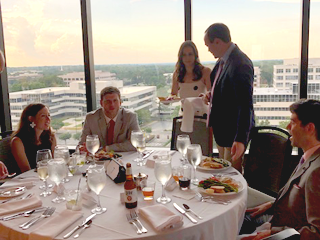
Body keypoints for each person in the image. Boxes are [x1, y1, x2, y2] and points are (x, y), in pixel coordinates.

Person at [240, 99, 320, 240]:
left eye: (293, 122)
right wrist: (271, 205)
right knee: (234, 217)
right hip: (276, 218)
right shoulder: (310, 156)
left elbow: (316, 232)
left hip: (283, 232)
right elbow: (300, 203)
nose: (288, 127)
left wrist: (274, 232)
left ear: (310, 128)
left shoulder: (317, 171)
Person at [203, 23, 254, 171]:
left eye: (209, 45)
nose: (208, 49)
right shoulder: (223, 61)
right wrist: (212, 94)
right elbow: (226, 88)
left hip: (233, 134)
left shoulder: (240, 63)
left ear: (218, 41)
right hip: (223, 131)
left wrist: (240, 139)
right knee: (223, 172)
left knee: (231, 177)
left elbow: (246, 105)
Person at [80, 86, 140, 152]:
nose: (112, 105)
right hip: (99, 160)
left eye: (115, 100)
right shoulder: (91, 118)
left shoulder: (130, 117)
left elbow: (136, 143)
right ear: (101, 103)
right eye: (107, 101)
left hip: (124, 159)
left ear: (120, 102)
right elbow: (82, 144)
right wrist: (82, 148)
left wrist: (107, 149)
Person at [11, 103, 56, 173]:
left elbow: (55, 163)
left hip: (48, 177)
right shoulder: (17, 141)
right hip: (26, 181)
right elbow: (26, 171)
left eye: (49, 115)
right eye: (43, 116)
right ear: (31, 119)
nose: (48, 119)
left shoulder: (51, 137)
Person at [170, 40, 211, 116]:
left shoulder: (205, 71)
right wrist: (170, 99)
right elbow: (173, 94)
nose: (187, 58)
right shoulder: (177, 74)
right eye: (184, 55)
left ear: (195, 55)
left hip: (202, 115)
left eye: (190, 54)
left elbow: (211, 93)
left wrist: (206, 97)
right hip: (184, 115)